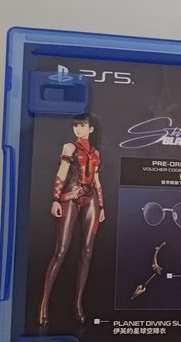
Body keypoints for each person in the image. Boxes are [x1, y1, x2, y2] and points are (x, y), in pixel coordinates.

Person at [38, 114, 105, 326]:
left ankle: (77, 304)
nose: (78, 129)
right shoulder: (69, 147)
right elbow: (62, 173)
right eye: (76, 125)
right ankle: (44, 304)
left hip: (91, 198)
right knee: (61, 249)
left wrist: (102, 205)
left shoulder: (96, 153)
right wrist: (55, 199)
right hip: (70, 196)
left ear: (90, 129)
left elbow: (96, 180)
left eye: (82, 125)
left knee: (87, 251)